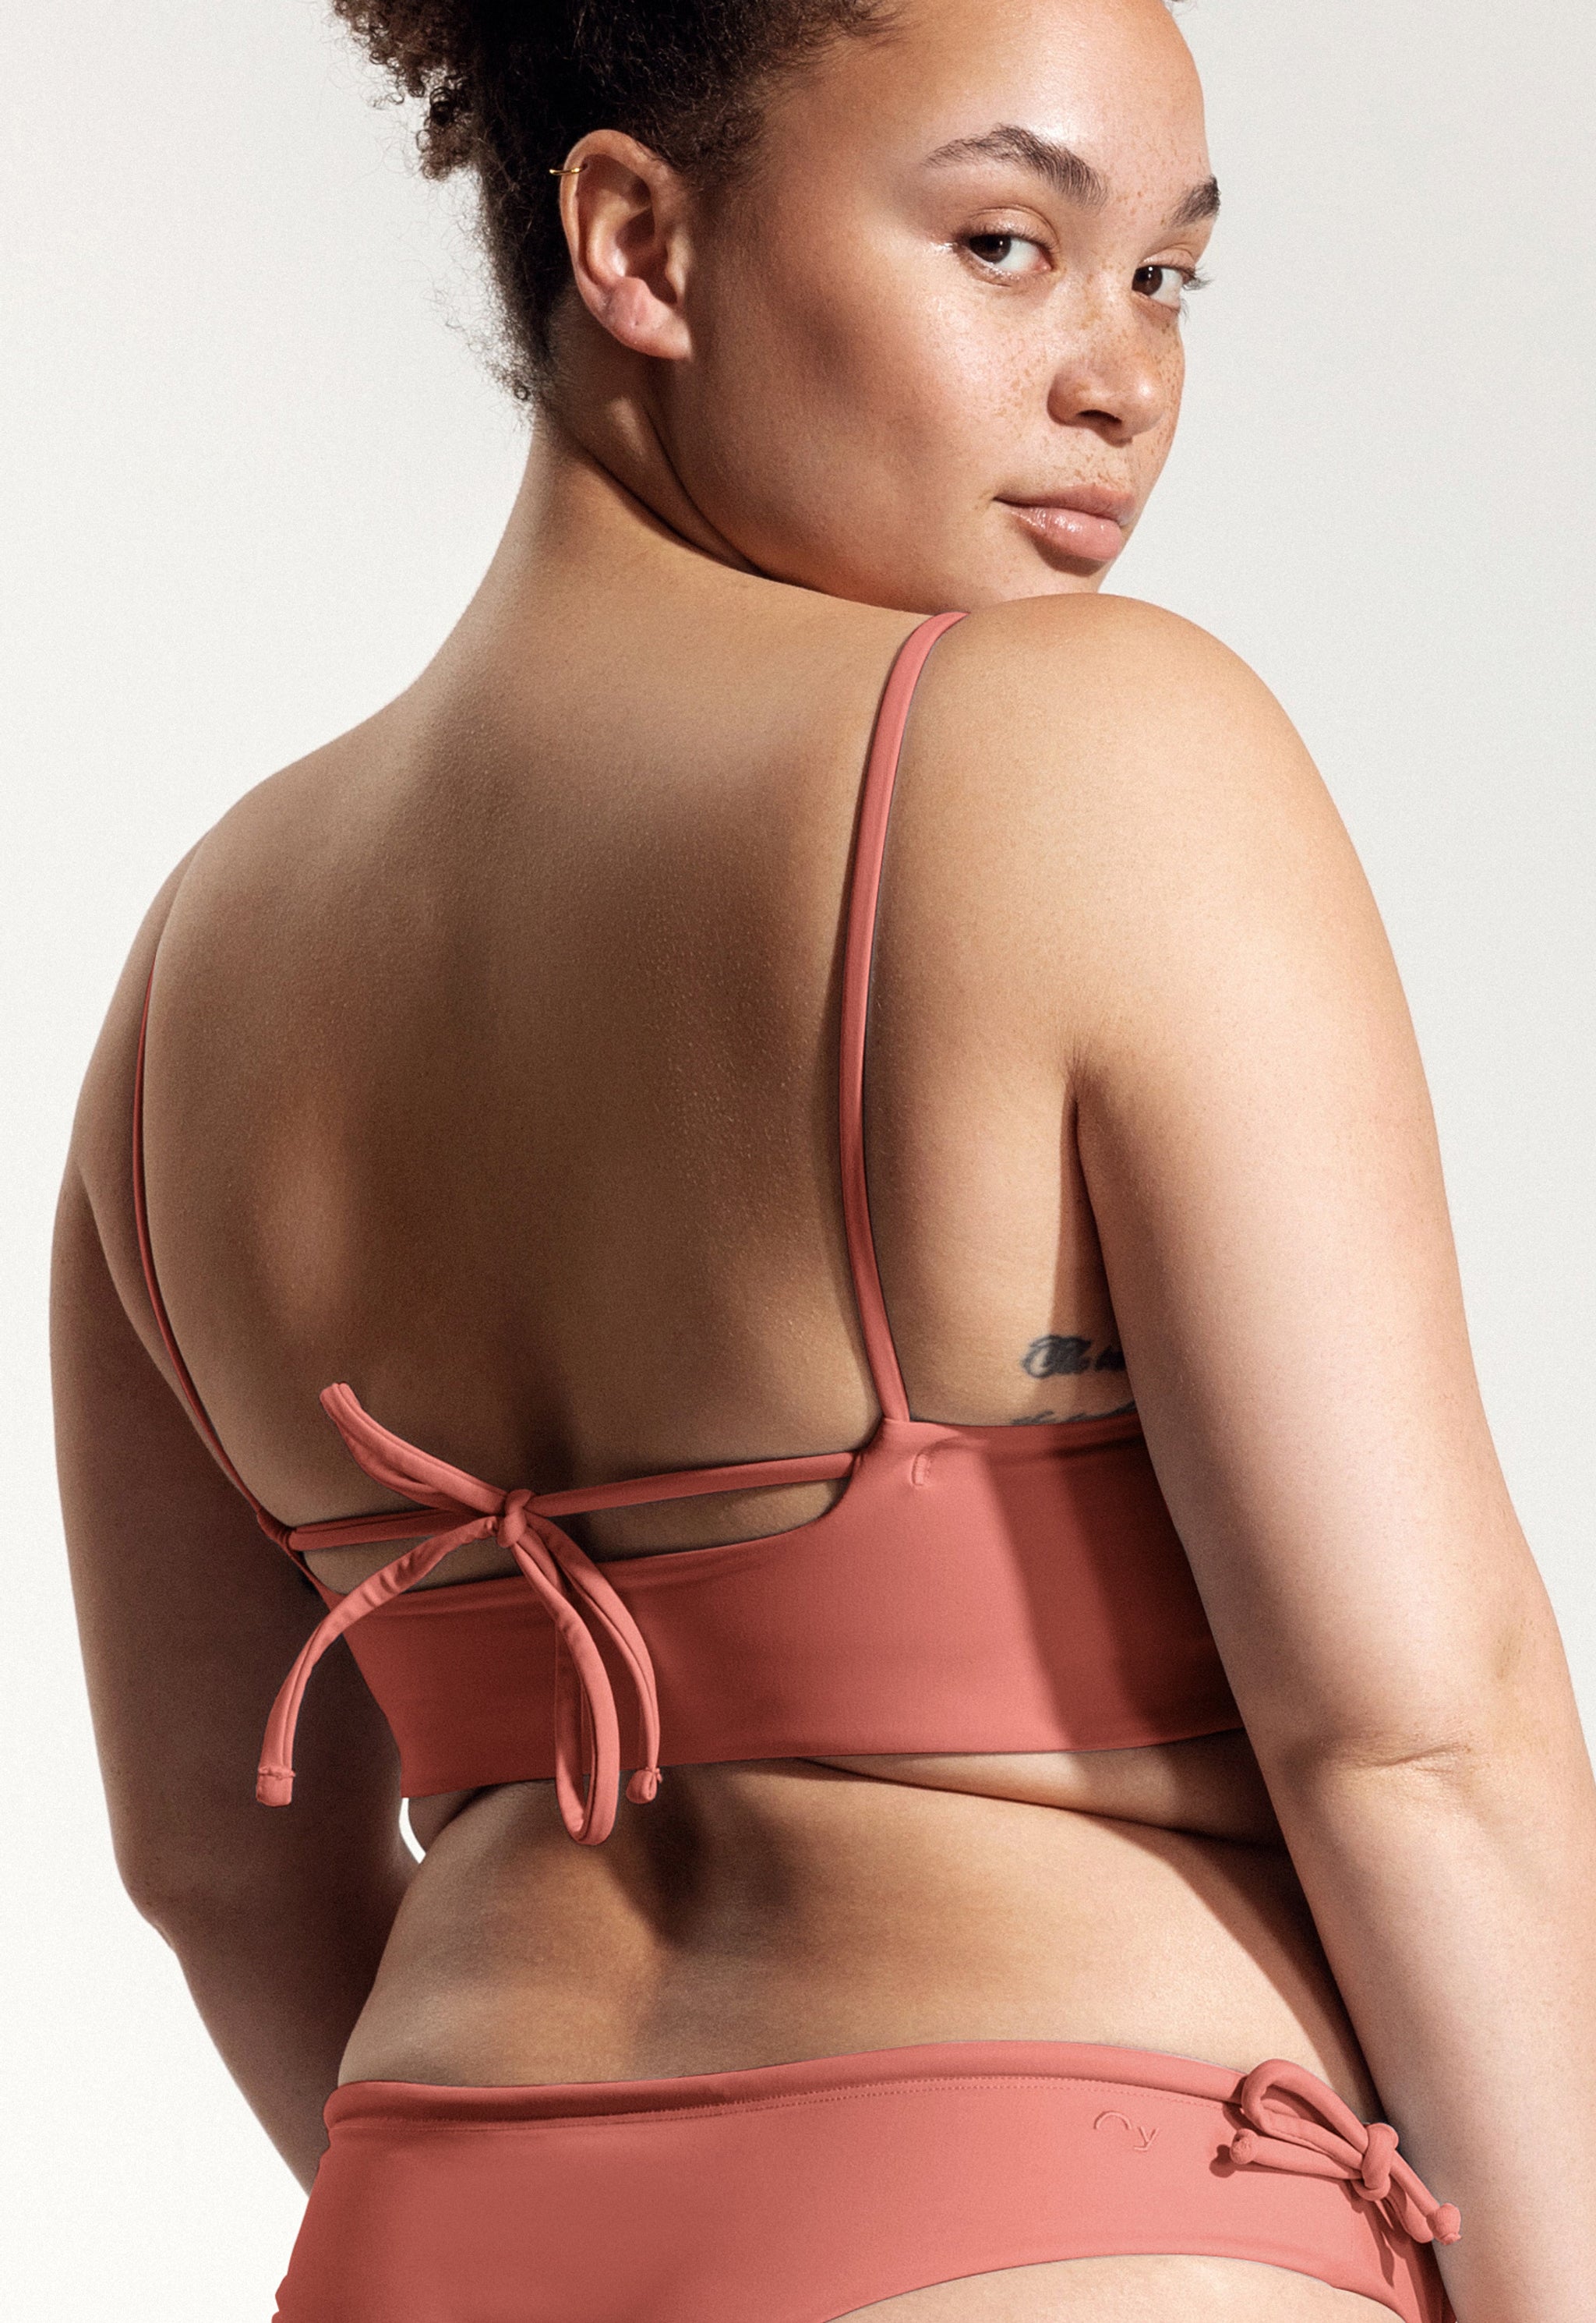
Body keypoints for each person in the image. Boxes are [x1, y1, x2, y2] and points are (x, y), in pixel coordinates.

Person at [50, 0, 1596, 2316]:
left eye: (1166, 276)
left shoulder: (200, 966)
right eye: (1006, 244)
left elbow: (210, 1862)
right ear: (637, 241)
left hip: (431, 2234)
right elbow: (1418, 1731)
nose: (1124, 379)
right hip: (1068, 2218)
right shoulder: (1093, 748)